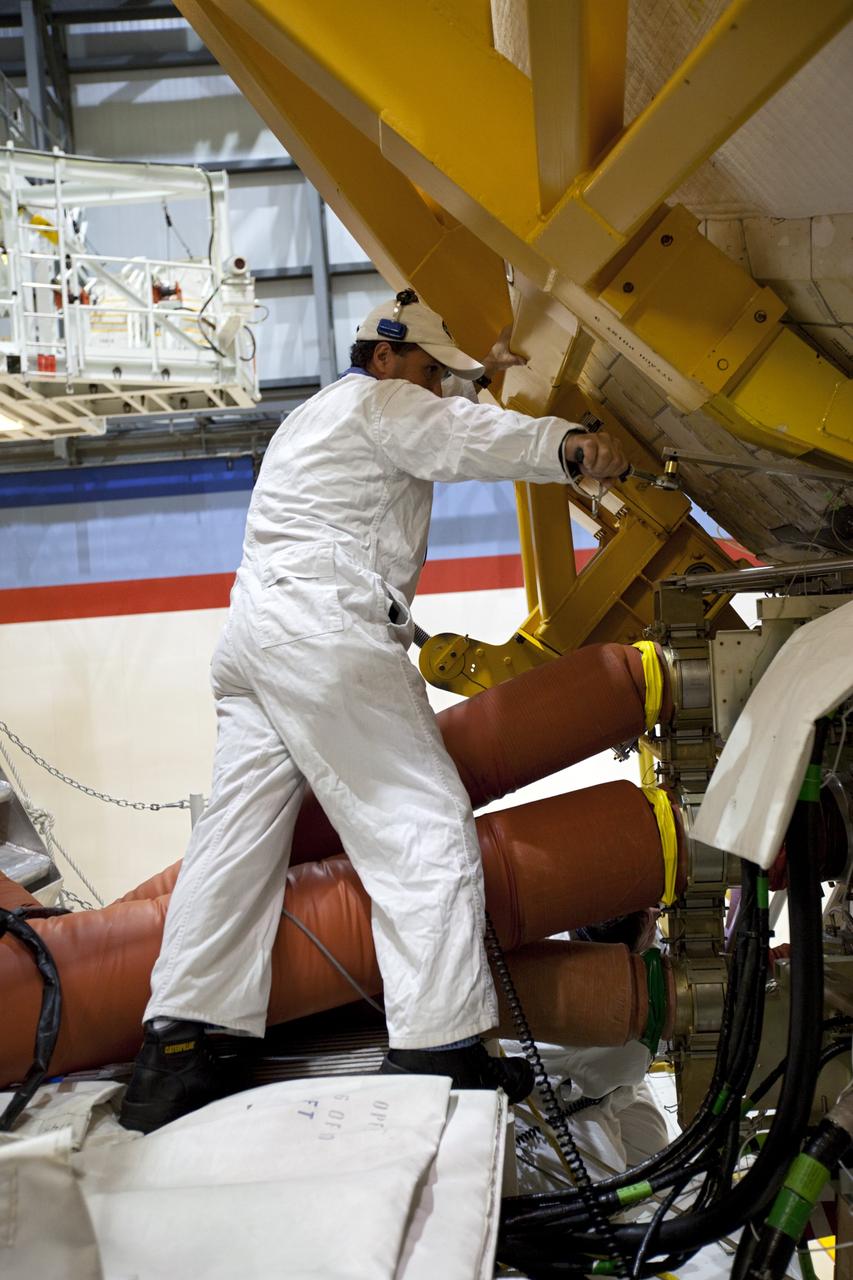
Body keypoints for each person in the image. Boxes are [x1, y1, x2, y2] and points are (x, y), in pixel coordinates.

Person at [119, 289, 628, 1133]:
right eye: (430, 370)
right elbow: (453, 437)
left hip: (255, 641)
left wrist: (471, 375)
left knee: (234, 845)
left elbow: (433, 415)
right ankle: (438, 1045)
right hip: (329, 634)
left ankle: (181, 1045)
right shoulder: (389, 403)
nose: (436, 390)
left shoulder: (320, 413)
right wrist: (566, 446)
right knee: (422, 823)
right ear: (385, 354)